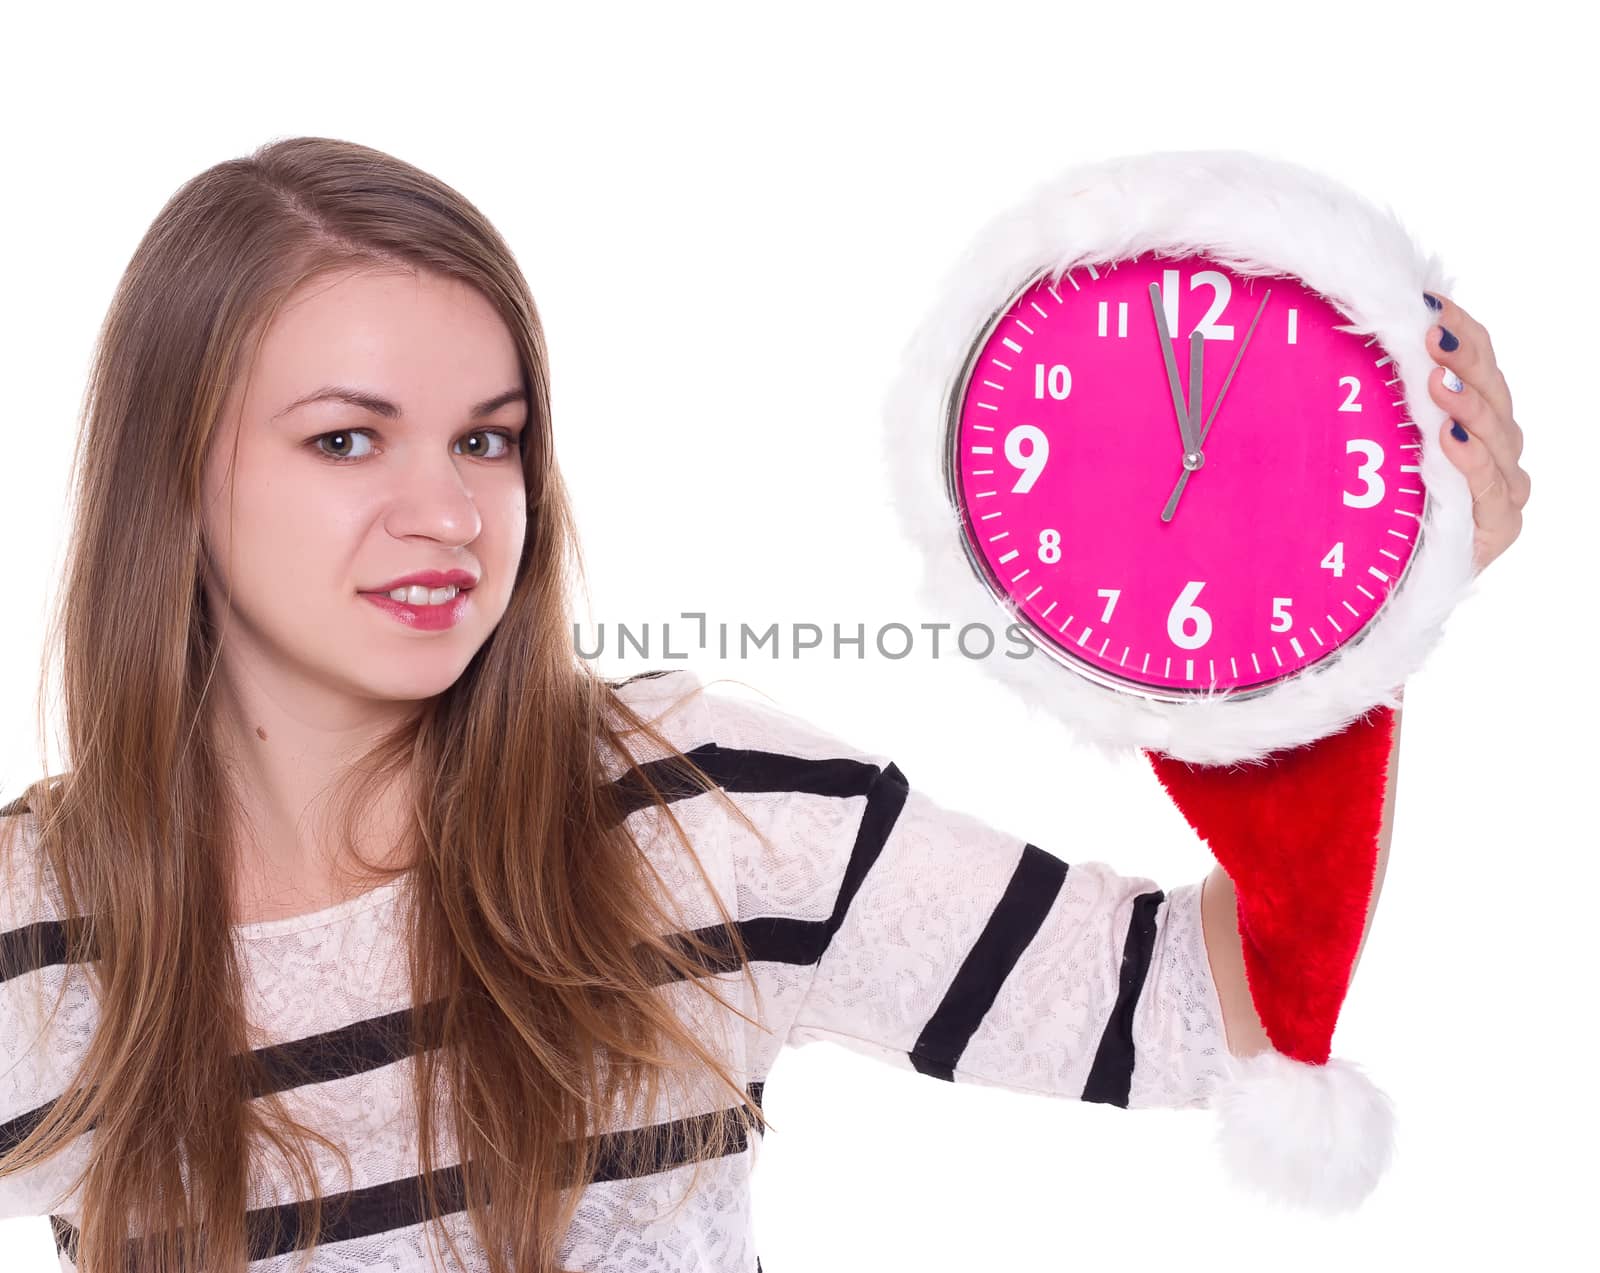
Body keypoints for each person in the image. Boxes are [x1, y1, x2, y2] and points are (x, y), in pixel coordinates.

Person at [0, 137, 1528, 1273]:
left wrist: (1363, 599)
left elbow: (1207, 1010)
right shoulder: (34, 926)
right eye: (345, 441)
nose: (446, 512)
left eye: (487, 441)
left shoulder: (704, 809)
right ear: (176, 475)